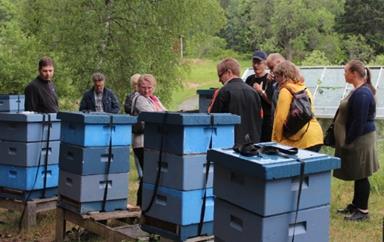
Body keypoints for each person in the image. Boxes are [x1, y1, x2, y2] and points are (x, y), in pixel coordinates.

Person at [333, 60, 379, 221]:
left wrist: (348, 141)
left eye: (345, 71)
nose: (344, 74)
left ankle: (363, 212)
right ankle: (355, 205)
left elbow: (358, 122)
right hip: (359, 138)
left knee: (362, 175)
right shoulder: (358, 90)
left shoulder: (363, 94)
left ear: (354, 74)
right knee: (358, 172)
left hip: (361, 139)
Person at [210, 58, 263, 147]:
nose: (220, 80)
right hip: (253, 146)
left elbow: (212, 119)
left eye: (220, 75)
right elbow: (260, 117)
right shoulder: (254, 92)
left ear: (229, 72)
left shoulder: (223, 92)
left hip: (230, 147)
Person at [271, 60, 323, 151]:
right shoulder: (303, 88)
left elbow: (280, 119)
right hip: (316, 136)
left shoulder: (286, 91)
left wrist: (276, 141)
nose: (276, 80)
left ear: (283, 76)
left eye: (277, 77)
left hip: (302, 139)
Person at [132, 74, 166, 206]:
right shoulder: (139, 99)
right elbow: (154, 115)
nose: (146, 91)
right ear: (138, 87)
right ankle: (140, 204)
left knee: (150, 174)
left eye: (149, 88)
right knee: (147, 175)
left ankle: (145, 204)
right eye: (143, 87)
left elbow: (166, 112)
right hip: (141, 142)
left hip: (152, 142)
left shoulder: (153, 99)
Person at [245, 50, 274, 142]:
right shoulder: (249, 79)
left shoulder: (270, 79)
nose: (256, 65)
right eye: (254, 62)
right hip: (252, 120)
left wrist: (260, 91)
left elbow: (272, 101)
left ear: (265, 64)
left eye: (259, 63)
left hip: (266, 121)